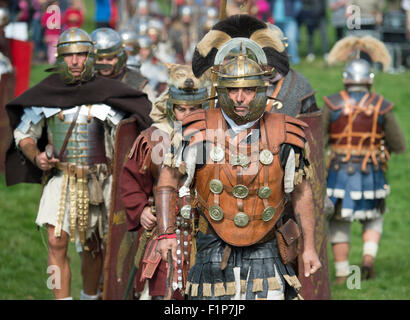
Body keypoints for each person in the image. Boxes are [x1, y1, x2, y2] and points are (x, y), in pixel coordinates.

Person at [154, 43, 321, 299]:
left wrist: (309, 247)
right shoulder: (197, 132)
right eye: (232, 90)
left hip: (267, 249)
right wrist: (166, 233)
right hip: (212, 248)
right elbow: (168, 181)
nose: (240, 97)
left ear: (262, 91)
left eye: (248, 89)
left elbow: (301, 193)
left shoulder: (285, 133)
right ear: (221, 91)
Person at [4, 27, 152, 300]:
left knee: (94, 247)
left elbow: (127, 137)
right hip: (62, 178)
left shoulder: (109, 93)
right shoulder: (46, 93)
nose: (75, 61)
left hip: (100, 180)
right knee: (55, 242)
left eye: (81, 54)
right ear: (60, 57)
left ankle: (88, 297)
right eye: (69, 55)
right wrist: (36, 155)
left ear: (90, 56)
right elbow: (24, 133)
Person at [120, 70, 209, 299]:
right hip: (165, 232)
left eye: (194, 109)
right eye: (182, 109)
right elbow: (131, 181)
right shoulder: (152, 139)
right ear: (172, 108)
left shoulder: (218, 138)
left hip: (207, 234)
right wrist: (141, 210)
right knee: (163, 293)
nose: (187, 115)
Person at [323, 38, 406, 284]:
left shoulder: (331, 103)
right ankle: (368, 259)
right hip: (371, 170)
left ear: (345, 77)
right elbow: (399, 144)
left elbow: (320, 140)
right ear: (370, 78)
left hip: (338, 171)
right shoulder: (382, 105)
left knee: (339, 221)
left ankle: (341, 274)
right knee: (374, 217)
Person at [90, 27, 156, 103]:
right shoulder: (87, 81)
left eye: (110, 59)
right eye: (100, 59)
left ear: (119, 58)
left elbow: (151, 111)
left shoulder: (136, 82)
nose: (105, 63)